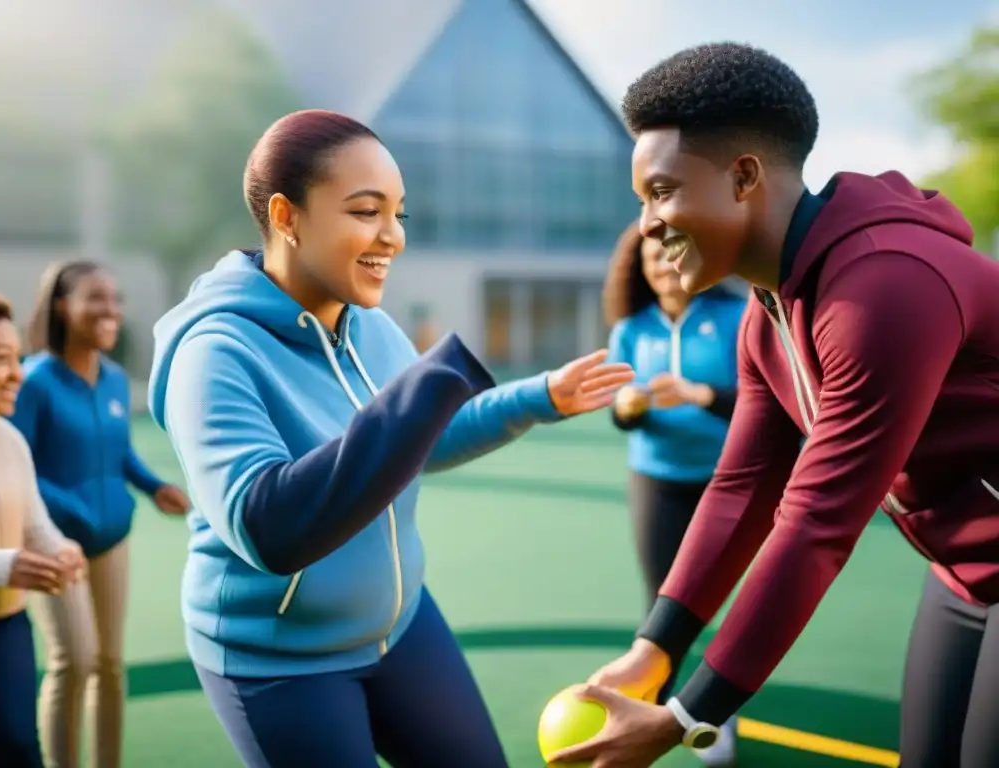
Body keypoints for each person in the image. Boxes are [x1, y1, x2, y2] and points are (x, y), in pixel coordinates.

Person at [549, 42, 999, 768]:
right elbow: (742, 488)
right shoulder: (768, 317)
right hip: (965, 571)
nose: (647, 226)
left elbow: (816, 522)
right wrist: (653, 648)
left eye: (661, 192)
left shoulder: (882, 287)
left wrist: (684, 717)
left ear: (745, 176)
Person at [145, 108, 635, 768]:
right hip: (280, 661)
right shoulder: (214, 353)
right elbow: (268, 526)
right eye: (366, 211)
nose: (393, 236)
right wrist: (425, 390)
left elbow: (414, 441)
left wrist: (538, 398)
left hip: (401, 628)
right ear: (287, 217)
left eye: (398, 212)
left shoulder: (369, 326)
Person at [10, 262, 192, 768]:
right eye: (95, 298)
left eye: (114, 299)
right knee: (76, 660)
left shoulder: (113, 381)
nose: (110, 309)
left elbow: (120, 453)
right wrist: (76, 511)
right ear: (63, 307)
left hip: (113, 539)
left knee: (111, 664)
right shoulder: (35, 381)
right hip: (55, 545)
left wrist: (154, 486)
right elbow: (17, 466)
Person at [604, 221, 745, 765]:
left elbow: (760, 403)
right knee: (664, 603)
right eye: (650, 259)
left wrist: (699, 392)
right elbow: (619, 413)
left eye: (670, 254)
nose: (662, 265)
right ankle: (657, 710)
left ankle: (713, 709)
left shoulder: (736, 316)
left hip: (727, 483)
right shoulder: (631, 330)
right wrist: (628, 408)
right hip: (655, 481)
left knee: (723, 606)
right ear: (641, 269)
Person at [0, 291, 85, 768]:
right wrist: (4, 566)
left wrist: (62, 550)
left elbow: (33, 524)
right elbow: (8, 560)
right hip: (2, 601)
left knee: (20, 748)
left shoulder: (10, 438)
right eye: (2, 360)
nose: (18, 373)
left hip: (3, 631)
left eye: (17, 358)